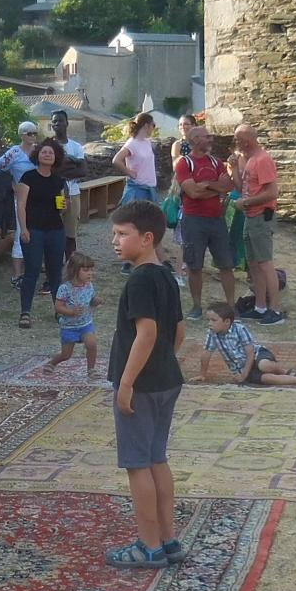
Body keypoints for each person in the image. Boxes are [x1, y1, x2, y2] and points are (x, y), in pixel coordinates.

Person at [105, 200, 185, 570]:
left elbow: (147, 331)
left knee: (138, 465)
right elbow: (178, 330)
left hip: (141, 386)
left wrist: (127, 382)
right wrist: (162, 363)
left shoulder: (139, 279)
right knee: (156, 459)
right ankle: (169, 540)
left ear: (147, 237)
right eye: (114, 233)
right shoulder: (167, 275)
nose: (115, 241)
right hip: (167, 380)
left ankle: (149, 546)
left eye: (123, 234)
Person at [174, 124, 237, 320]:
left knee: (226, 264)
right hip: (194, 220)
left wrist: (208, 185)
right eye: (206, 137)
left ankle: (231, 306)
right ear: (194, 140)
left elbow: (228, 185)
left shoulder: (215, 161)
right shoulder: (184, 163)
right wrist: (216, 188)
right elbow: (192, 192)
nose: (210, 139)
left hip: (215, 219)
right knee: (195, 265)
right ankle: (196, 305)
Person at [231, 124, 284, 323]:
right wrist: (235, 169)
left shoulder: (262, 159)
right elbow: (243, 187)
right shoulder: (250, 160)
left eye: (237, 139)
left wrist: (245, 203)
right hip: (251, 216)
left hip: (262, 216)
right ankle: (260, 307)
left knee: (265, 263)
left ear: (246, 140)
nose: (235, 143)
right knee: (253, 264)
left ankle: (275, 310)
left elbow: (272, 193)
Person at [14, 140, 68, 329]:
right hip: (34, 230)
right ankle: (25, 312)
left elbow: (61, 206)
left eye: (50, 153)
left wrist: (64, 206)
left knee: (55, 273)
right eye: (44, 152)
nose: (47, 155)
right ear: (37, 155)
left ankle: (59, 310)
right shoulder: (28, 177)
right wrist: (24, 229)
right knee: (32, 271)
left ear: (56, 158)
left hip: (55, 229)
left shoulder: (58, 179)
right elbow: (21, 205)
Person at [200, 300, 296, 386]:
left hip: (257, 355)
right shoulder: (212, 333)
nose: (210, 323)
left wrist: (244, 375)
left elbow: (250, 353)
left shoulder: (239, 328)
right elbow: (206, 353)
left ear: (227, 321)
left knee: (264, 366)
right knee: (267, 379)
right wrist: (202, 374)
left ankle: (282, 370)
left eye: (214, 320)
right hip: (241, 368)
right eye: (208, 320)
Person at [0, 120, 40, 282]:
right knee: (21, 234)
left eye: (35, 133)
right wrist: (11, 184)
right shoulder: (14, 153)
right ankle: (17, 275)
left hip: (39, 198)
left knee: (38, 233)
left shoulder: (38, 151)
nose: (33, 136)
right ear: (21, 135)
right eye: (29, 133)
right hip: (22, 199)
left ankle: (34, 267)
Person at [49, 253, 98, 375]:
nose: (90, 273)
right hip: (69, 327)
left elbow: (91, 300)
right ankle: (52, 363)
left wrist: (96, 301)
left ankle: (91, 369)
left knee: (91, 343)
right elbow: (58, 307)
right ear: (74, 271)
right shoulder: (65, 288)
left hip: (86, 324)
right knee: (66, 355)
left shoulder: (89, 286)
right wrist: (71, 312)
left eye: (91, 270)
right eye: (86, 270)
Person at [49, 110, 86, 258]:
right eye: (55, 121)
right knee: (53, 229)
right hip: (54, 194)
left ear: (67, 123)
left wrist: (60, 171)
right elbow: (47, 170)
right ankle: (53, 264)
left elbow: (83, 171)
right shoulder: (48, 146)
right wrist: (70, 164)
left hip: (72, 193)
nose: (57, 124)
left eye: (60, 120)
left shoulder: (76, 147)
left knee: (70, 232)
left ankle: (70, 264)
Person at [111, 112, 160, 206]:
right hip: (137, 190)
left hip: (150, 189)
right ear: (146, 125)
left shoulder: (147, 142)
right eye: (153, 125)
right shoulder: (132, 144)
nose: (154, 128)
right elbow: (116, 160)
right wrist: (129, 172)